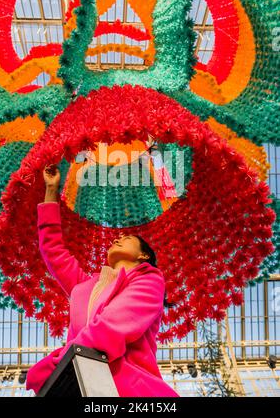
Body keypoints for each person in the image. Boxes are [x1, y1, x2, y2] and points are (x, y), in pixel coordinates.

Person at [26, 164, 180, 397]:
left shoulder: (150, 280)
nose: (118, 238)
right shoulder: (87, 286)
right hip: (77, 380)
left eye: (127, 237)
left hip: (126, 387)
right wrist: (50, 191)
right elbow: (54, 251)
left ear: (144, 255)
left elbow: (114, 325)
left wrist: (68, 358)